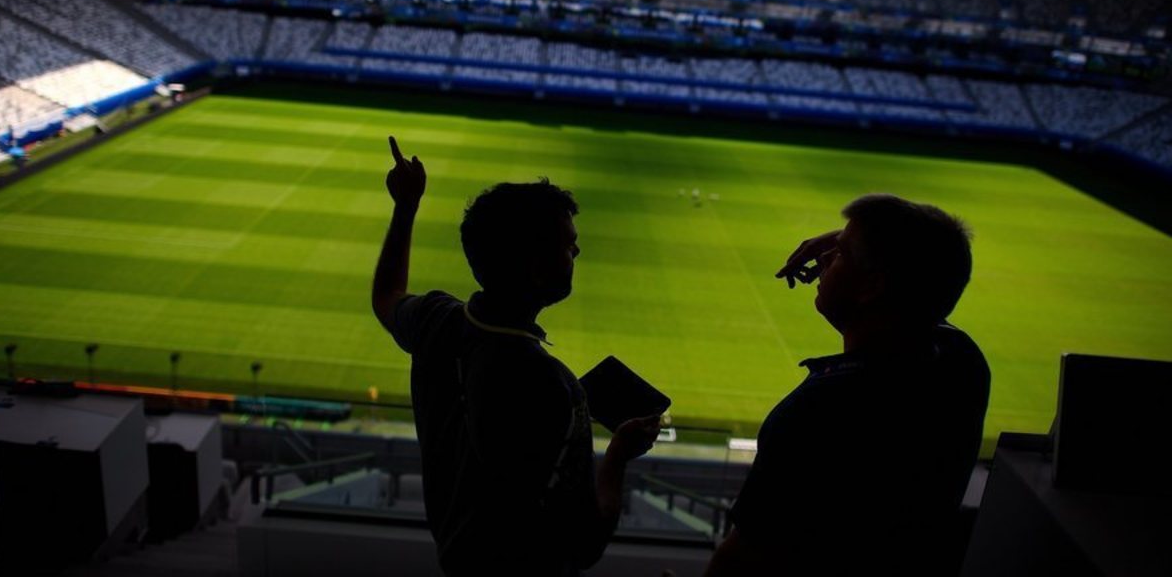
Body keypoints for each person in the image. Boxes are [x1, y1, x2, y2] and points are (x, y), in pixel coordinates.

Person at [371, 136, 661, 577]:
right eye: (568, 245)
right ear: (535, 266)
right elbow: (584, 544)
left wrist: (406, 206)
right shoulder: (549, 387)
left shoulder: (435, 319)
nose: (577, 252)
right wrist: (619, 455)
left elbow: (386, 297)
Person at [706, 194, 991, 576]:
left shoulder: (820, 410)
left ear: (872, 285)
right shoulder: (962, 364)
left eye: (838, 254)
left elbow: (746, 555)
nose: (824, 259)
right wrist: (857, 249)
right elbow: (926, 290)